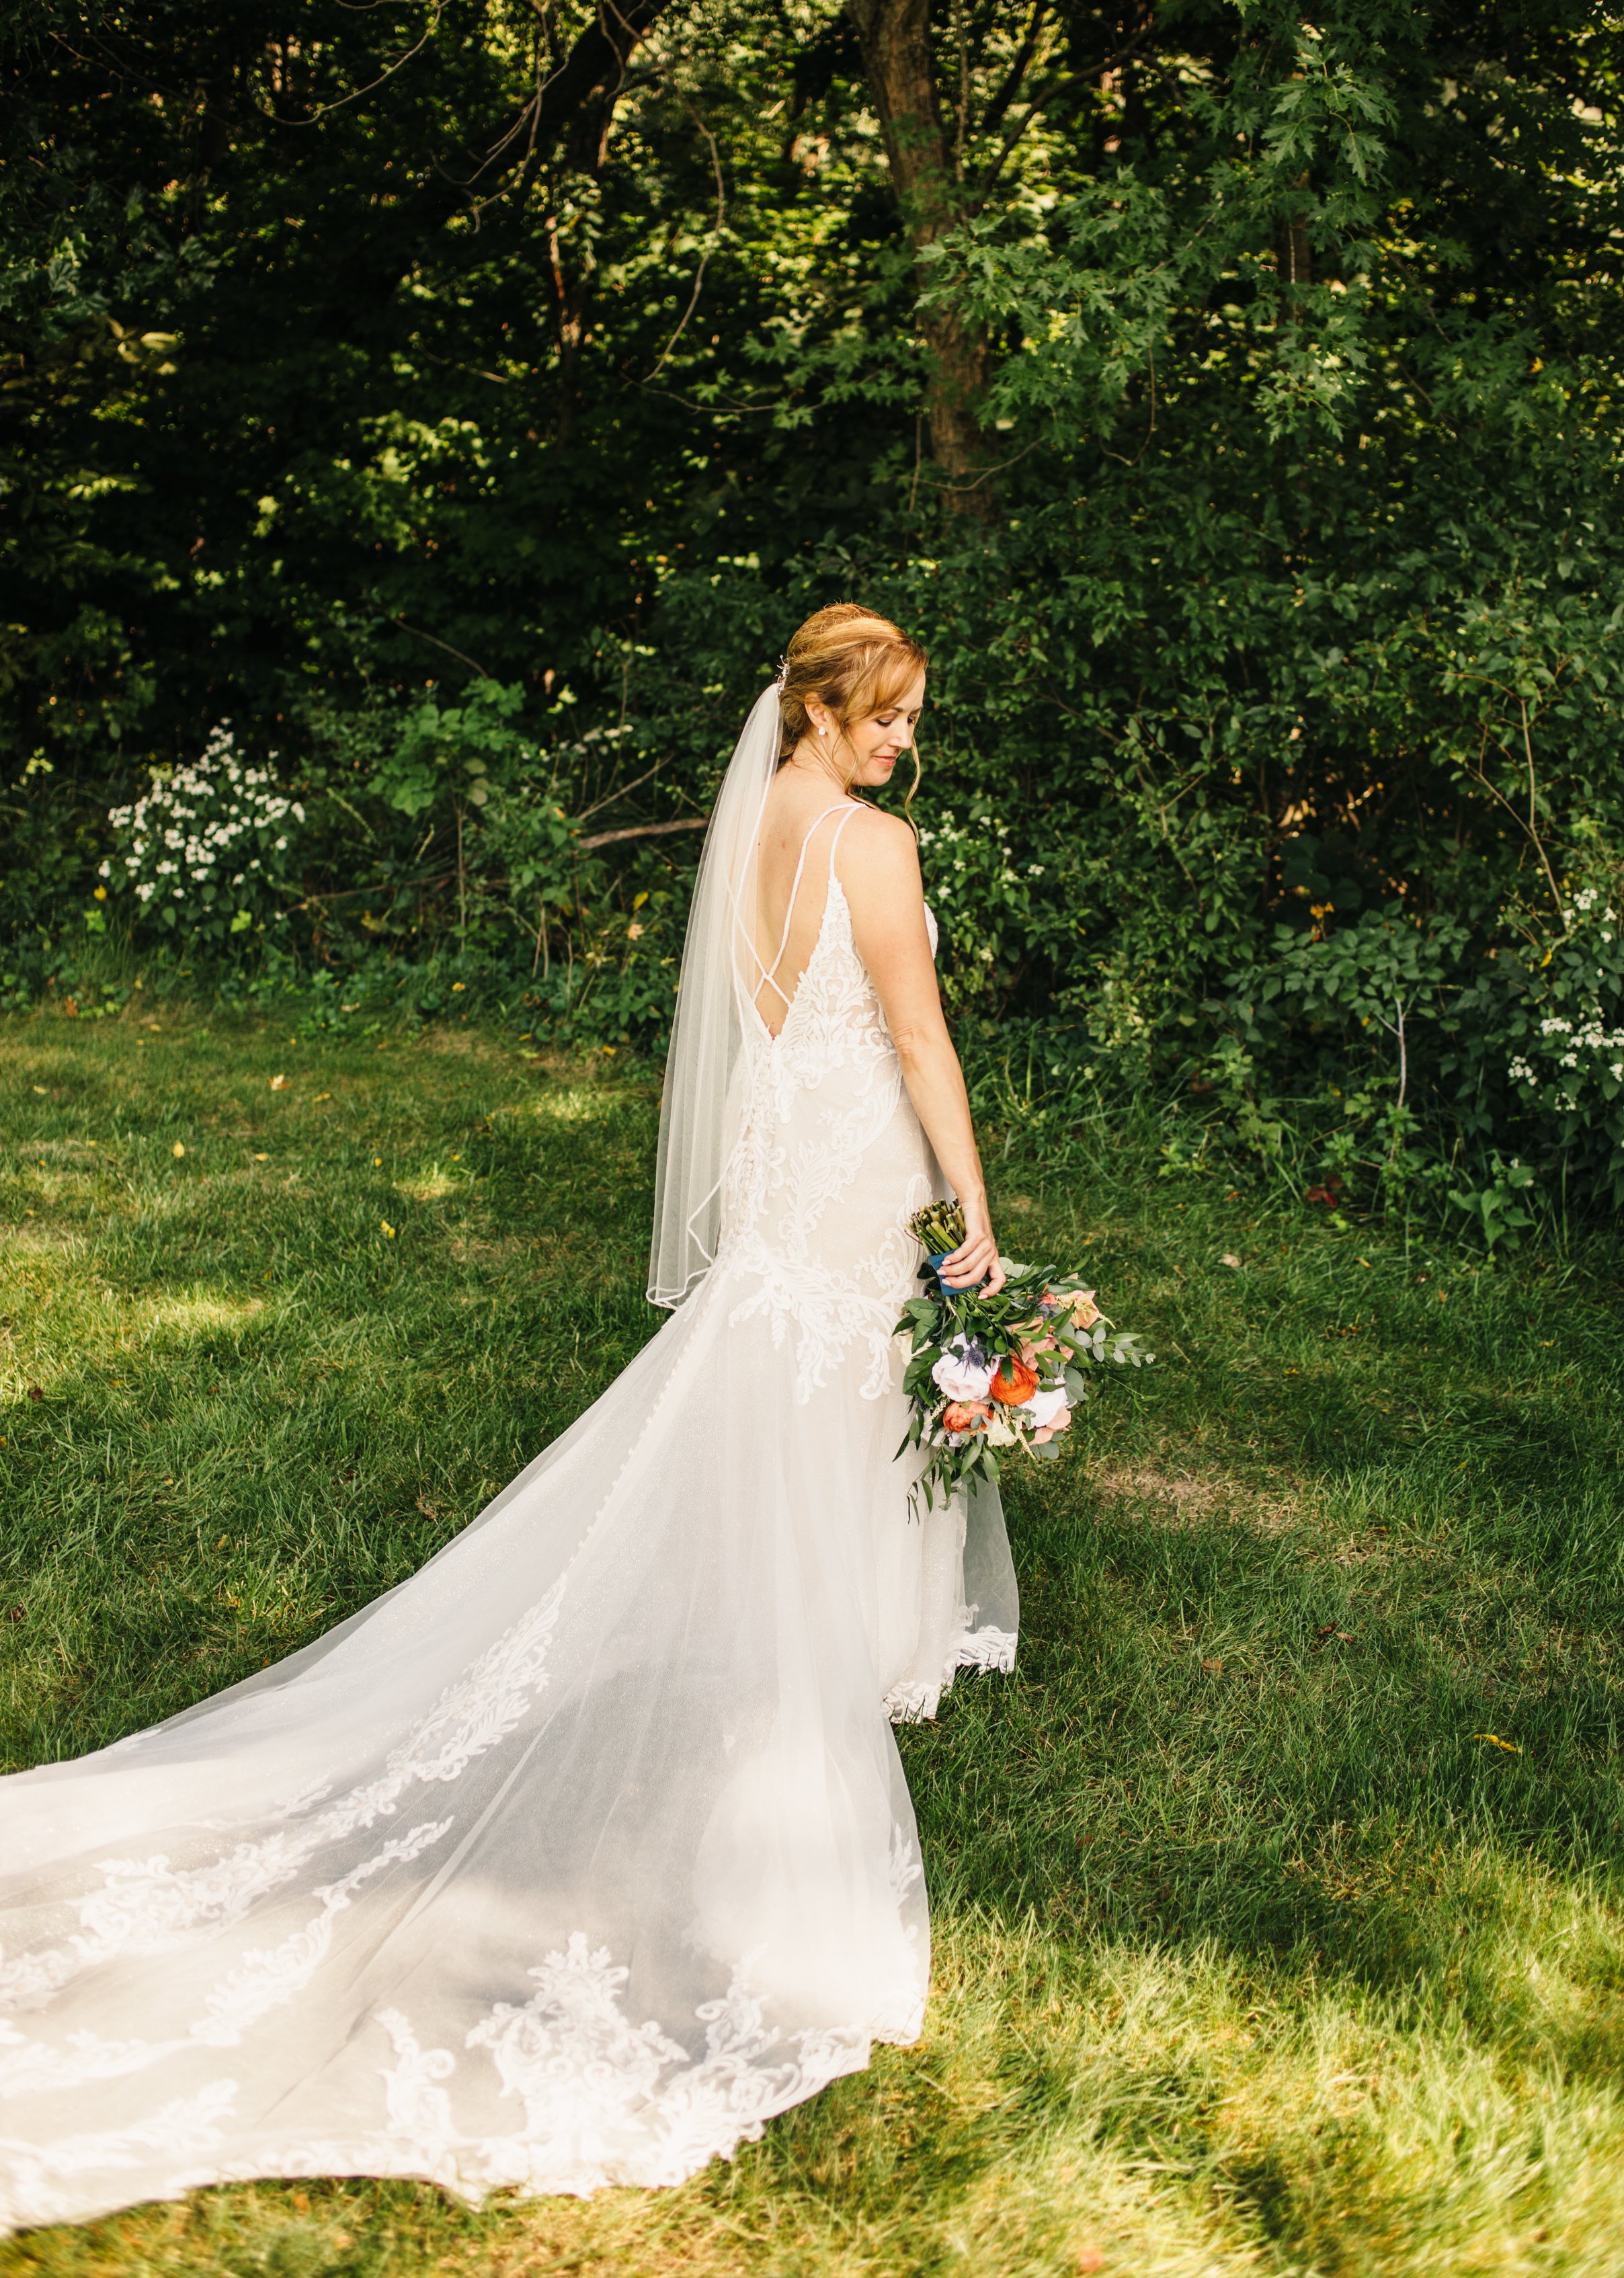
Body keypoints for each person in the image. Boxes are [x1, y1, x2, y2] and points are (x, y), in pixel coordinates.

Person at [0, 603, 1019, 2231]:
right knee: (823, 1381)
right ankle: (808, 1654)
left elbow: (769, 1018)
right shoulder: (874, 850)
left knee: (768, 1381)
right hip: (842, 1170)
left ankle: (776, 1612)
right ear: (821, 710)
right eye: (886, 716)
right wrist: (972, 1205)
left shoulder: (753, 819)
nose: (907, 742)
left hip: (781, 1163)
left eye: (910, 719)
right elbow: (912, 1033)